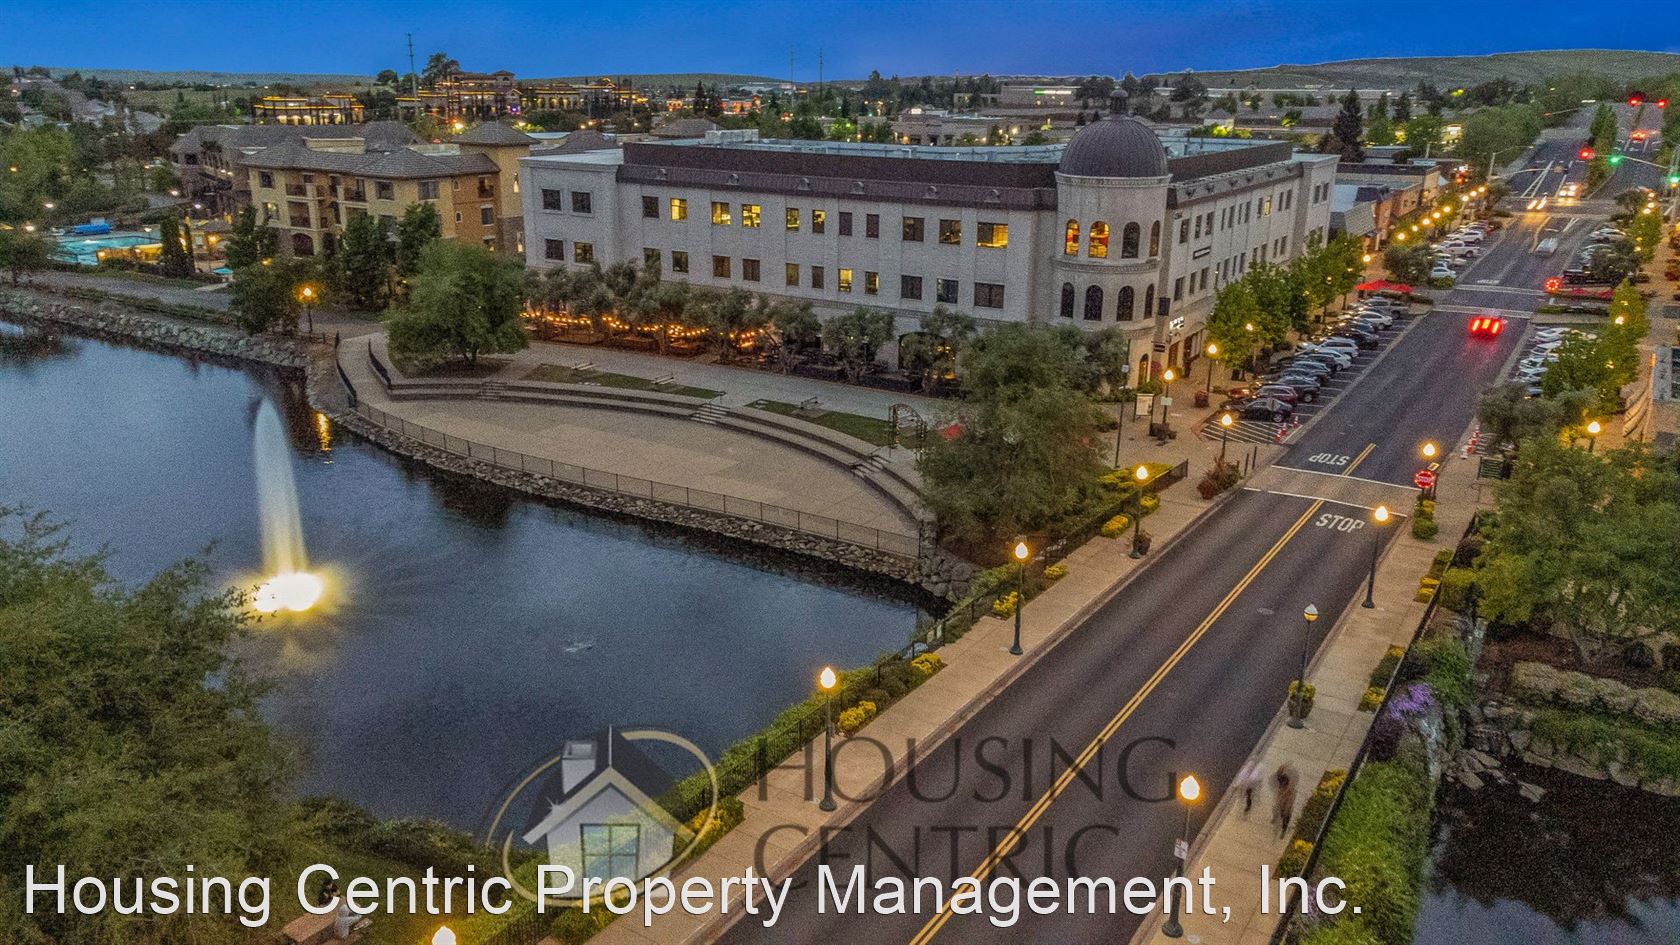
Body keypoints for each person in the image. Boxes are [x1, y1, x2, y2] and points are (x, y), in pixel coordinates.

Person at [1273, 764, 1299, 839]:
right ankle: (1281, 823)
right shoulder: (1281, 788)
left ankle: (1283, 831)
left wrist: (1288, 807)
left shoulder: (1292, 792)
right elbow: (1278, 797)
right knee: (1281, 815)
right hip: (1282, 806)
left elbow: (1291, 801)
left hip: (1287, 808)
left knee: (1286, 819)